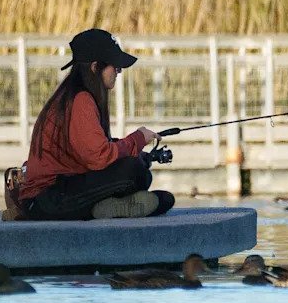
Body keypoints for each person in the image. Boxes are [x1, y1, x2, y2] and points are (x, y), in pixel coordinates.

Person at [14, 28, 175, 220]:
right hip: (47, 199)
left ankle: (104, 208)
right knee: (135, 172)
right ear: (95, 67)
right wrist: (137, 139)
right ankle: (103, 207)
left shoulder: (73, 96)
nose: (119, 71)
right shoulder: (81, 100)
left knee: (162, 196)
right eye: (114, 66)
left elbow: (92, 149)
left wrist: (138, 151)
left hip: (58, 192)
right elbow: (99, 157)